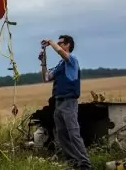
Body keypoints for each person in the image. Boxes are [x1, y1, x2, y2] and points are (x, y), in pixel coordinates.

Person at [38, 35, 91, 170]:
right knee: (62, 135)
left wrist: (51, 42)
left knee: (73, 133)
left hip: (69, 101)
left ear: (68, 45)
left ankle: (84, 164)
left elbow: (61, 53)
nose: (58, 45)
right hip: (58, 102)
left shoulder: (72, 60)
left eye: (61, 43)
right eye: (58, 43)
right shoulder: (61, 64)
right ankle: (72, 162)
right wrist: (43, 62)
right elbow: (46, 78)